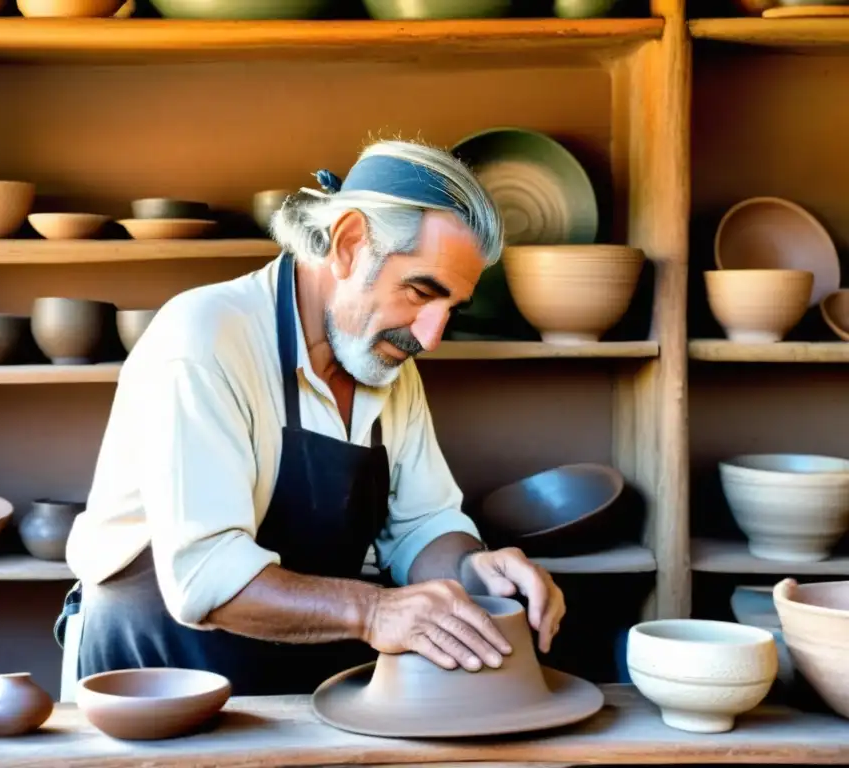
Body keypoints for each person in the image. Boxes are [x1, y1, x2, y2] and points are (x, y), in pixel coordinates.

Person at [56, 138, 567, 697]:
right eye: (421, 292)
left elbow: (422, 526)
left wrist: (476, 570)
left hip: (299, 685)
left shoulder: (387, 367)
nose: (431, 336)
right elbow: (205, 578)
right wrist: (376, 613)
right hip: (156, 681)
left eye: (450, 310)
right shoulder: (204, 336)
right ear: (349, 244)